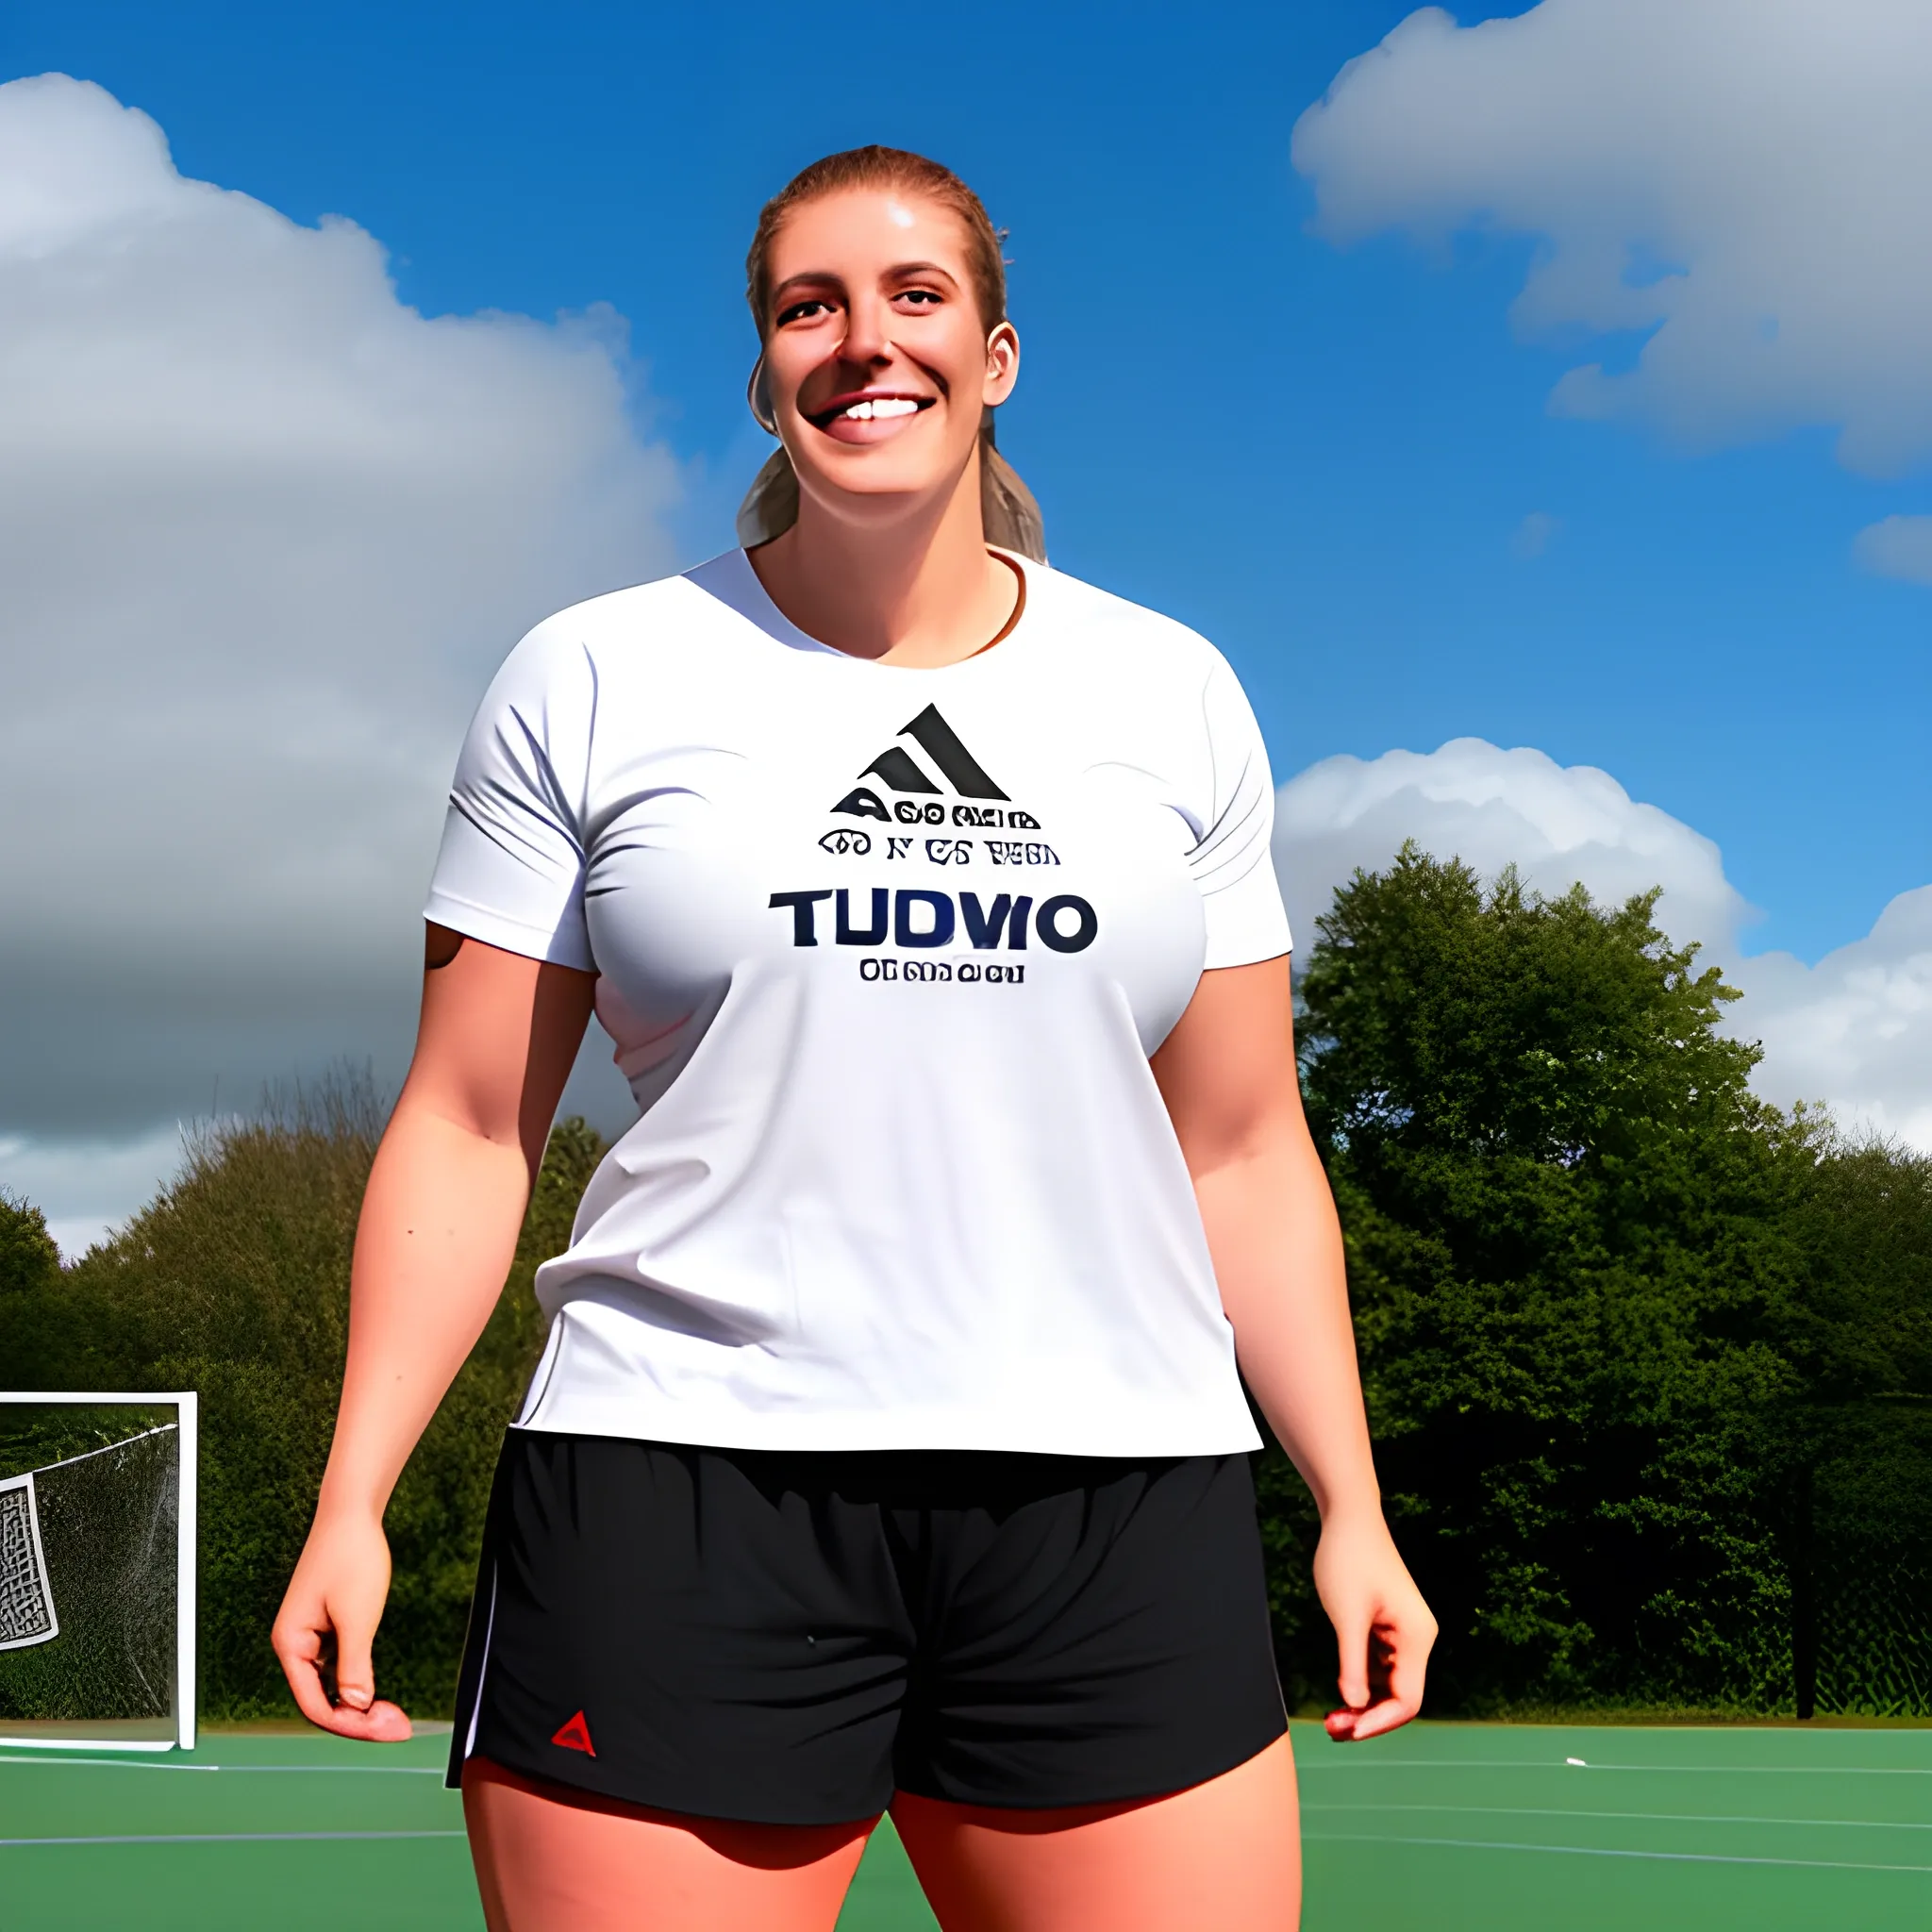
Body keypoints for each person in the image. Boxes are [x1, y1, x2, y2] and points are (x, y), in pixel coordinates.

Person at [274, 144, 1436, 1932]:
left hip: (1117, 1499)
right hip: (679, 1482)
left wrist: (1348, 1498)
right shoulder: (592, 676)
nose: (860, 342)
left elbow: (1244, 1146)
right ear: (763, 368)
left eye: (914, 298)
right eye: (808, 305)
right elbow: (467, 1122)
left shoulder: (1171, 693)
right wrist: (356, 1493)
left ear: (997, 354)